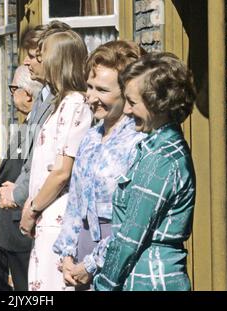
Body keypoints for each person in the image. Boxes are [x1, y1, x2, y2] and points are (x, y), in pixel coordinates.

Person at [93, 52, 197, 291]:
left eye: (132, 102)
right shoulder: (156, 148)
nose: (127, 111)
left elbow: (129, 238)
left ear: (157, 103)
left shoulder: (160, 159)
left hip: (149, 280)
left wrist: (103, 284)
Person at [52, 41, 147, 289]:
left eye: (102, 90)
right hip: (81, 249)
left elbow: (134, 220)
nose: (91, 98)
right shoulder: (91, 137)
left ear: (128, 92)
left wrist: (93, 264)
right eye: (89, 87)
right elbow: (75, 203)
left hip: (118, 255)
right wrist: (67, 254)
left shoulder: (139, 142)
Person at [19, 29, 92, 291]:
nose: (35, 61)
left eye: (42, 55)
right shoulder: (61, 104)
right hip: (47, 218)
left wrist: (33, 208)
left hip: (57, 218)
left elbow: (62, 171)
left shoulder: (75, 104)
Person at [0, 21, 71, 212]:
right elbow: (31, 162)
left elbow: (57, 168)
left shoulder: (67, 100)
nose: (26, 62)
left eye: (33, 56)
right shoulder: (45, 95)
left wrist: (19, 196)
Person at [0, 65, 42, 290]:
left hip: (23, 226)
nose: (12, 93)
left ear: (28, 94)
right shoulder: (28, 123)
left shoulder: (38, 125)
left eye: (13, 88)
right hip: (14, 229)